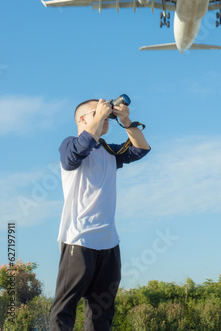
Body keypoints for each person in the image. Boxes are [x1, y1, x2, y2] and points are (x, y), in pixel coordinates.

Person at [49, 98, 150, 331]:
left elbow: (141, 149)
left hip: (109, 243)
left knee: (102, 313)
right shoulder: (70, 144)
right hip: (78, 239)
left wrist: (125, 121)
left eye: (106, 113)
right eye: (98, 112)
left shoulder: (108, 151)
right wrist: (99, 117)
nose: (105, 117)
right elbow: (75, 154)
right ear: (82, 119)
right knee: (65, 310)